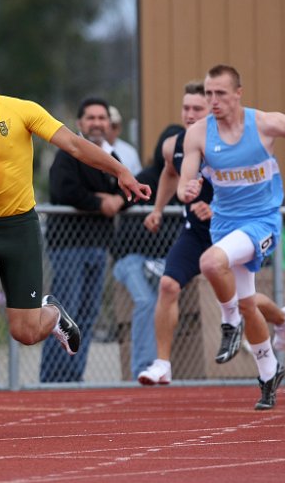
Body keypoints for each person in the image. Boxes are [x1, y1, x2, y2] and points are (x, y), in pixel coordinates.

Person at [0, 40, 151, 438]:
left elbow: (74, 144)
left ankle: (51, 314)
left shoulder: (22, 110)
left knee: (25, 333)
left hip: (20, 230)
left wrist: (121, 172)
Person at [178, 64, 285, 409]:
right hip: (224, 224)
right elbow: (184, 183)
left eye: (220, 94)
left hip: (262, 222)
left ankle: (230, 325)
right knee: (247, 302)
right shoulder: (197, 134)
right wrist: (189, 188)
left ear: (238, 93)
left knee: (211, 263)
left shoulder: (265, 124)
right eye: (209, 94)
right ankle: (270, 370)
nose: (213, 101)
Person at [138, 81, 285, 386]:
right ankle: (162, 364)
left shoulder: (229, 144)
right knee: (168, 285)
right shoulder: (174, 145)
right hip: (195, 234)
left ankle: (280, 318)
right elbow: (170, 172)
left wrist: (214, 209)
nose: (190, 114)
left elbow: (250, 186)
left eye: (197, 108)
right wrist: (158, 209)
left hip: (229, 232)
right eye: (186, 108)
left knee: (244, 301)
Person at [40, 97, 125, 382]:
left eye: (102, 118)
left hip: (99, 247)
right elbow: (65, 191)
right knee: (65, 316)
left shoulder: (112, 157)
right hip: (68, 248)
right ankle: (53, 379)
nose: (97, 123)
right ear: (80, 123)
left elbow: (128, 190)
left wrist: (115, 199)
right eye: (91, 118)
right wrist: (101, 201)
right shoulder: (67, 154)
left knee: (88, 316)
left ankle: (75, 376)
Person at [111, 124, 184, 380]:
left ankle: (169, 367)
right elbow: (129, 235)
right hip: (131, 259)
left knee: (169, 295)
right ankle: (142, 369)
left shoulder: (188, 182)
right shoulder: (145, 178)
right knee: (146, 301)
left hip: (164, 259)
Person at [105, 105, 142, 175]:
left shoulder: (130, 152)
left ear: (119, 128)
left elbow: (137, 178)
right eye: (108, 126)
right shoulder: (89, 148)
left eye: (114, 126)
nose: (110, 130)